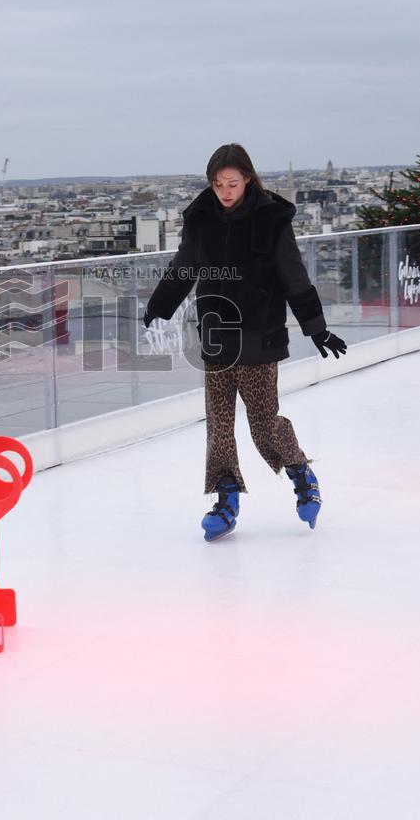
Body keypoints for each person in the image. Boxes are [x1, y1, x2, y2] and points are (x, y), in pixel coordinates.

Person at [143, 143, 347, 541]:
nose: (224, 190)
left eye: (232, 183)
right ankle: (226, 498)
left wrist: (317, 328)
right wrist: (159, 306)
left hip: (259, 335)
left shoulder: (271, 218)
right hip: (218, 335)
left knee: (263, 425)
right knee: (219, 424)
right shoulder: (200, 218)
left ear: (248, 178)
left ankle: (301, 471)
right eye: (218, 183)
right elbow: (184, 267)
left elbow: (294, 277)